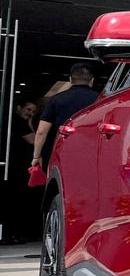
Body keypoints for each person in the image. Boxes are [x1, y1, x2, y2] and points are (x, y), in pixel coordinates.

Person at [31, 63, 100, 173]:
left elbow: (41, 131)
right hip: (90, 151)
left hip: (61, 151)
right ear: (91, 81)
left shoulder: (56, 100)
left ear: (70, 80)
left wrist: (36, 156)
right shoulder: (100, 100)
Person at [2, 99, 40, 243]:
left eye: (33, 111)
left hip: (14, 167)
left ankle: (11, 234)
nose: (30, 114)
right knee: (15, 202)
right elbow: (34, 140)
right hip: (14, 169)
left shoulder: (15, 121)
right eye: (28, 109)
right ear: (19, 107)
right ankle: (10, 235)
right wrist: (31, 126)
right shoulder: (18, 123)